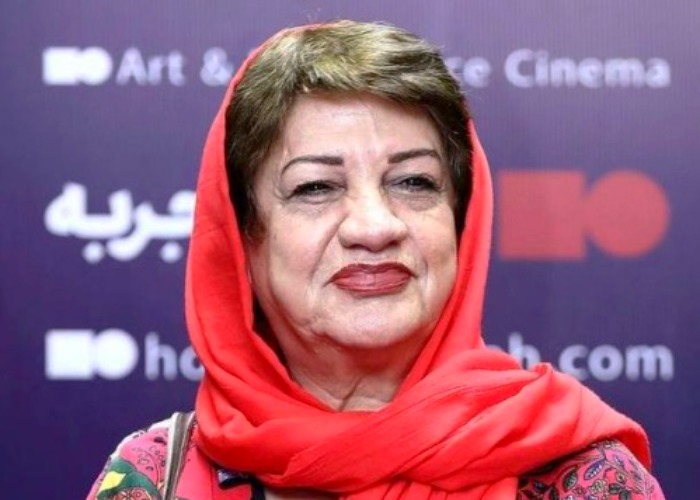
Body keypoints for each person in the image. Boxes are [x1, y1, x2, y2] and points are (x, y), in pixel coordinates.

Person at [87, 20, 664, 499]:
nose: (375, 226)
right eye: (316, 188)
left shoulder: (581, 479)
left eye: (414, 182)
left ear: (462, 219)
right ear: (245, 236)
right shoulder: (155, 480)